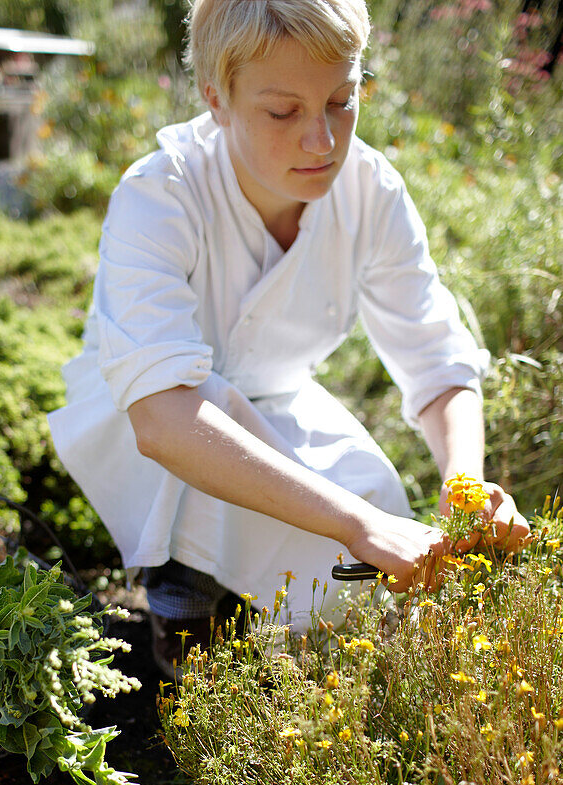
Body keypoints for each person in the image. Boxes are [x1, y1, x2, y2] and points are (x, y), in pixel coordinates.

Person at [48, 0, 530, 677]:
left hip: (273, 394)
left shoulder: (369, 191)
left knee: (380, 499)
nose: (323, 141)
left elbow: (435, 353)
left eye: (341, 100)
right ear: (217, 98)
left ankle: (302, 633)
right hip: (148, 417)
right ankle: (181, 592)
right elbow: (161, 420)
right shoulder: (159, 194)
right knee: (340, 521)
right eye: (283, 112)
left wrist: (465, 487)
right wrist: (352, 526)